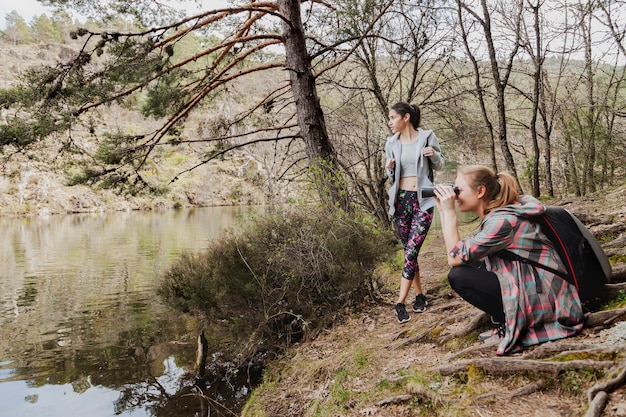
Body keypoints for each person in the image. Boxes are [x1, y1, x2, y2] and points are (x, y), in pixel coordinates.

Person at [433, 165, 585, 355]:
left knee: (459, 275)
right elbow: (463, 252)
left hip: (551, 300)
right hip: (540, 285)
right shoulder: (501, 214)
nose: (455, 196)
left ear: (480, 191)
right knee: (470, 264)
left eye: (459, 190)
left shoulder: (503, 222)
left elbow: (454, 258)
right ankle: (506, 318)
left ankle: (510, 322)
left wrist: (448, 212)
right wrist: (443, 209)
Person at [385, 102, 444, 324]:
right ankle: (419, 295)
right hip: (401, 202)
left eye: (393, 118)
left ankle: (399, 302)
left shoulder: (427, 137)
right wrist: (389, 167)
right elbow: (390, 176)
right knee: (411, 252)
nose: (390, 122)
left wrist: (434, 155)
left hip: (423, 201)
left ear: (406, 117)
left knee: (411, 251)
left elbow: (439, 164)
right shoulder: (391, 143)